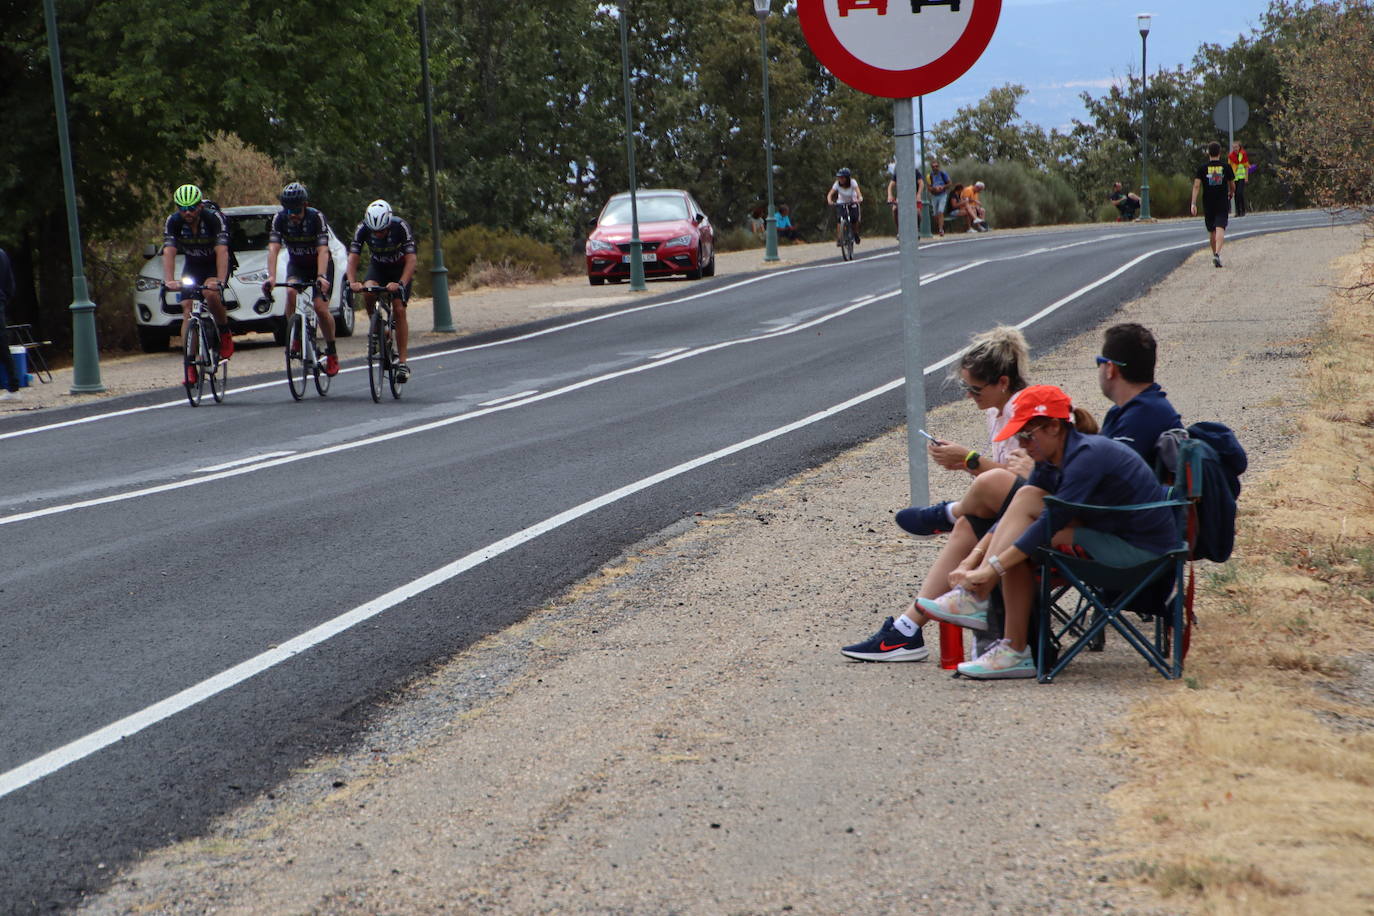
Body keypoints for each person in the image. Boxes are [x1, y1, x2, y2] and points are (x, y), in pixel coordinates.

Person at [918, 385, 1180, 680]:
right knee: (1027, 495)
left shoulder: (1086, 456)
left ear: (1054, 427)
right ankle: (1006, 638)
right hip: (1109, 533)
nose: (1023, 444)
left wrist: (991, 571)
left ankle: (1008, 638)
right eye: (1019, 436)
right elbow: (1015, 514)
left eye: (1028, 435)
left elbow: (1049, 523)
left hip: (1142, 553)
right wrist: (973, 560)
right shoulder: (1051, 459)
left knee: (1027, 539)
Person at [841, 326, 1041, 662]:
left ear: (1002, 382)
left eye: (975, 389)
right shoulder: (997, 411)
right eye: (965, 387)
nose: (969, 395)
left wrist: (969, 460)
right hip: (1015, 513)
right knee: (968, 524)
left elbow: (1031, 483)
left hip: (1038, 517)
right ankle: (907, 629)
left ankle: (948, 513)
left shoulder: (1027, 410)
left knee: (981, 494)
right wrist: (967, 462)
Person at [264, 181, 339, 376]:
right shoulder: (279, 218)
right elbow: (273, 248)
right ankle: (294, 336)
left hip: (319, 266)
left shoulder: (316, 217)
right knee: (290, 291)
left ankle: (331, 351)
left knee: (320, 308)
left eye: (296, 210)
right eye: (288, 210)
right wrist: (271, 276)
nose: (293, 215)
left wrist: (322, 276)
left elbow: (323, 250)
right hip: (297, 265)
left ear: (304, 205)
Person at [162, 184, 234, 385]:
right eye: (182, 209)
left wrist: (219, 281)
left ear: (200, 206)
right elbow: (169, 251)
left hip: (215, 265)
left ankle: (224, 331)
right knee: (187, 308)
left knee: (211, 295)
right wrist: (169, 280)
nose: (187, 213)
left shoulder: (214, 219)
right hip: (193, 267)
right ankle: (190, 363)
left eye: (192, 208)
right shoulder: (174, 222)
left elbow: (222, 251)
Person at [346, 200, 418, 382]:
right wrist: (352, 282)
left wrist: (401, 283)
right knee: (368, 291)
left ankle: (402, 363)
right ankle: (378, 329)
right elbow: (353, 258)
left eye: (381, 231)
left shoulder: (400, 226)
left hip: (400, 270)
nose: (377, 235)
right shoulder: (362, 228)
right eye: (374, 232)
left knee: (399, 308)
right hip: (378, 266)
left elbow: (411, 260)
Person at [1097, 323, 1182, 468]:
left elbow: (1107, 479)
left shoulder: (1141, 417)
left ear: (1110, 368)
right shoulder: (1124, 410)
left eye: (1100, 362)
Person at [1191, 141, 1235, 269]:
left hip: (1208, 202)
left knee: (1212, 230)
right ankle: (1217, 253)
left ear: (1208, 153)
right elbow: (1232, 185)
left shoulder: (1202, 168)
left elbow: (1196, 185)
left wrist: (1193, 203)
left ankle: (1214, 254)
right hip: (1222, 201)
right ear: (1220, 153)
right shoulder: (1226, 167)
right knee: (1220, 227)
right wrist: (1231, 193)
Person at [0, 245, 19, 401]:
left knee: (2, 346)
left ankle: (14, 386)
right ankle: (13, 386)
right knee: (2, 346)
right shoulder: (2, 254)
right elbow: (10, 285)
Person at [826, 168, 863, 246]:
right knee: (840, 219)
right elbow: (830, 194)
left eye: (842, 177)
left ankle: (855, 233)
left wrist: (859, 198)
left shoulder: (853, 182)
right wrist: (830, 201)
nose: (840, 179)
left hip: (852, 201)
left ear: (847, 178)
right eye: (839, 177)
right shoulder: (837, 184)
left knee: (854, 219)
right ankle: (840, 238)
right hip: (841, 202)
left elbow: (858, 193)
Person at [886, 164, 923, 234]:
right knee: (895, 209)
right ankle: (899, 230)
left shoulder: (915, 171)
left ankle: (917, 228)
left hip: (914, 195)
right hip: (902, 195)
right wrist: (890, 195)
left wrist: (918, 194)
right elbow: (890, 185)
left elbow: (921, 183)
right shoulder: (898, 173)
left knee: (917, 211)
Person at [927, 160, 951, 237]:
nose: (935, 168)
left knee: (940, 211)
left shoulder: (943, 174)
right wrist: (934, 189)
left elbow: (949, 183)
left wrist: (942, 187)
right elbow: (928, 187)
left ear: (939, 166)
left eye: (936, 166)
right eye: (933, 167)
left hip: (942, 195)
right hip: (934, 196)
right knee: (935, 214)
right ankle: (940, 226)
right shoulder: (929, 176)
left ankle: (941, 229)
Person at [1228, 141, 1251, 216]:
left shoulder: (1243, 154)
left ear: (1239, 147)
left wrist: (1246, 177)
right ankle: (1238, 211)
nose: (1235, 149)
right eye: (1233, 147)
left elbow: (1246, 166)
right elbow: (1229, 168)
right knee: (1236, 194)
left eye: (1236, 147)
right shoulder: (1231, 156)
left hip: (1242, 177)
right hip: (1234, 178)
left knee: (1240, 193)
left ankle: (1243, 210)